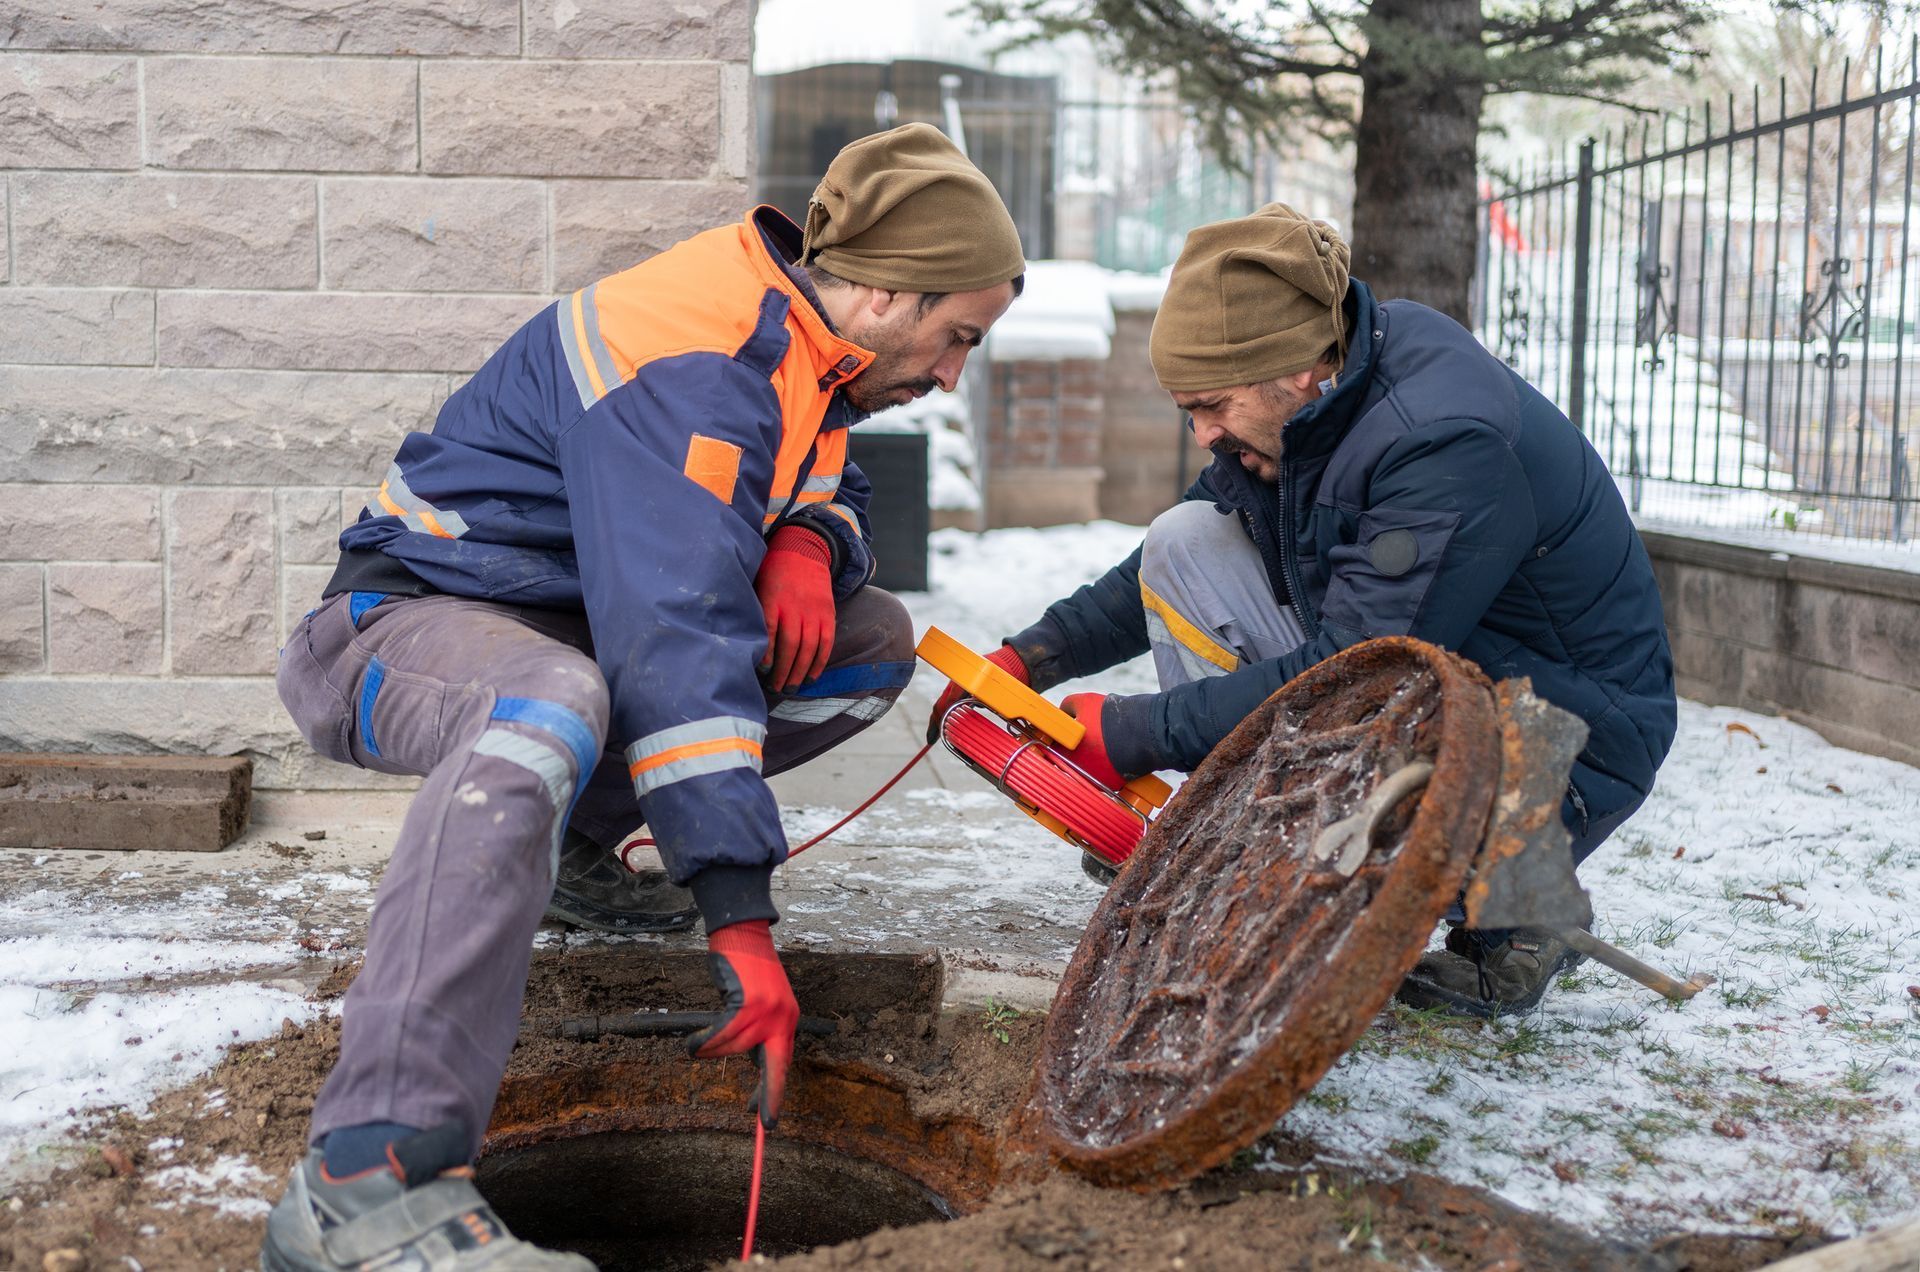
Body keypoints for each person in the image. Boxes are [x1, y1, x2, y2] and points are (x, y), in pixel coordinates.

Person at [264, 123, 1025, 1271]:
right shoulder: (695, 361)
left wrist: (811, 538)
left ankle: (580, 850)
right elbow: (674, 635)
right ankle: (366, 1179)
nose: (955, 370)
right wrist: (739, 909)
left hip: (559, 625)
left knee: (867, 644)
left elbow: (821, 474)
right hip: (389, 632)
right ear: (879, 294)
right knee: (551, 701)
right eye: (957, 335)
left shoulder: (805, 347)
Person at [932, 203, 1676, 1021]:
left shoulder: (1442, 440)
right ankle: (1259, 847)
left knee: (1373, 738)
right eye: (1188, 410)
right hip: (1446, 673)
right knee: (1184, 540)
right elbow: (1172, 563)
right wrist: (1034, 655)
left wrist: (1133, 731)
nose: (1202, 431)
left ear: (1295, 369)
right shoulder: (1317, 406)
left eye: (1211, 405)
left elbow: (1357, 669)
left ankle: (1523, 909)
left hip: (1559, 743)